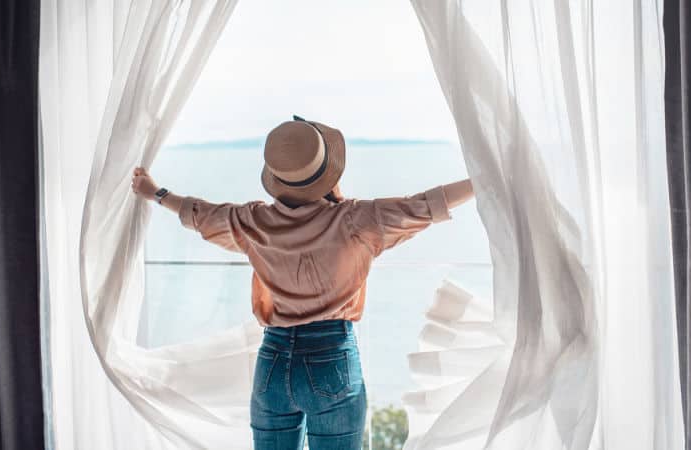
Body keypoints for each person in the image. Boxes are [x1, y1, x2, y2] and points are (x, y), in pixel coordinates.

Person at [131, 115, 474, 449]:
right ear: (326, 174)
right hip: (332, 360)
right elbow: (426, 205)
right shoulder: (356, 221)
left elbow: (198, 213)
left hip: (272, 362)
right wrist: (482, 181)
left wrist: (155, 192)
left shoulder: (253, 222)